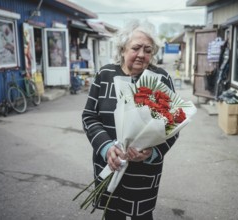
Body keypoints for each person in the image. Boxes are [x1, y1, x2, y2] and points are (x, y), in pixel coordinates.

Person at [82, 20, 179, 220]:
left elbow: (173, 124)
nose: (142, 54)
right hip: (110, 163)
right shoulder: (105, 74)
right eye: (136, 48)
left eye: (148, 50)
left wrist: (153, 153)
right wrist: (106, 147)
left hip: (144, 171)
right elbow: (89, 116)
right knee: (111, 214)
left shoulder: (160, 78)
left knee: (141, 216)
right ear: (123, 48)